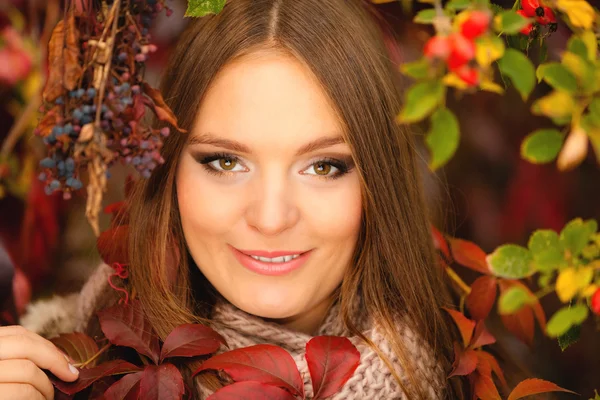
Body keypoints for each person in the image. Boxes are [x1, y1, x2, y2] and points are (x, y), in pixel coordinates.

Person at [2, 0, 467, 398]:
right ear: (168, 170)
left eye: (323, 166)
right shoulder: (59, 372)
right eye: (225, 162)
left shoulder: (463, 375)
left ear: (378, 182)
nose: (270, 217)